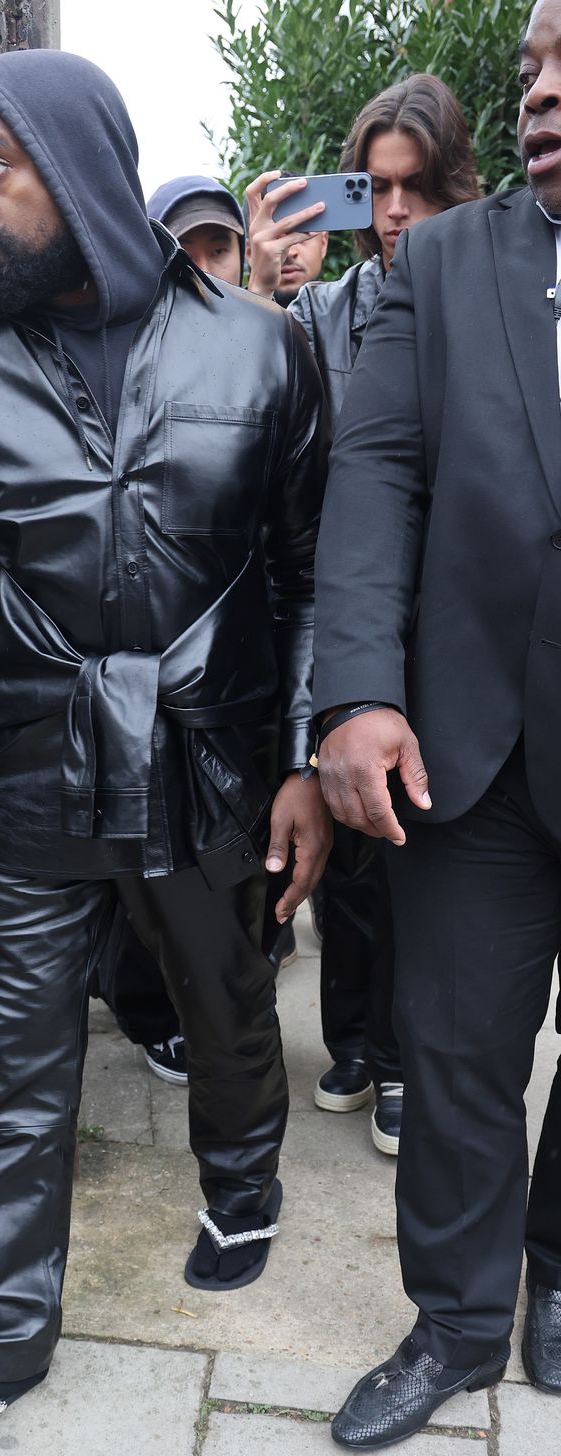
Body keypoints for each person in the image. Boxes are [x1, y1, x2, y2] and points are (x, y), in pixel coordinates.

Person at [0, 48, 330, 1456]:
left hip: (209, 761)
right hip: (22, 783)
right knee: (19, 1068)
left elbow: (312, 573)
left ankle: (243, 1187)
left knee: (224, 991)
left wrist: (305, 760)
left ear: (77, 168)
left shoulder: (259, 347)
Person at [312, 0, 561, 1448]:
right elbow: (376, 479)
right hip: (467, 745)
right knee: (459, 1046)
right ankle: (461, 1322)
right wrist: (356, 691)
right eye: (531, 65)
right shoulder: (447, 266)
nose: (539, 91)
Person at [273, 77, 481, 1157]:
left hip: (454, 629)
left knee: (423, 858)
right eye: (377, 188)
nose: (396, 213)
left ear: (453, 190)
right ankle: (353, 1041)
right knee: (345, 863)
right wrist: (254, 290)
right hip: (342, 609)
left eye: (417, 187)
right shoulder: (314, 314)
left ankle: (402, 1056)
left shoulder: (492, 296)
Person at [97, 179, 295, 1089]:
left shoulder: (271, 345)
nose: (202, 266)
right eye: (187, 249)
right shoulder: (132, 369)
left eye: (220, 248)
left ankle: (226, 1014)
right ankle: (153, 1011)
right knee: (148, 871)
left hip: (248, 673)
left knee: (247, 869)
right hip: (149, 679)